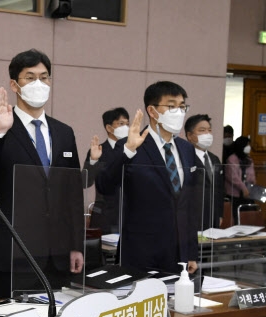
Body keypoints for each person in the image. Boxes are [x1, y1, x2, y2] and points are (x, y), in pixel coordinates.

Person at [0, 49, 83, 299]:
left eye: (44, 77)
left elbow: (73, 193)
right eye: (30, 77)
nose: (38, 84)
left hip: (58, 257)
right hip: (13, 253)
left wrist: (76, 245)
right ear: (14, 84)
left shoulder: (64, 132)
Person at [96, 81, 199, 274]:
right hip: (141, 251)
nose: (178, 112)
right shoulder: (131, 145)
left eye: (182, 106)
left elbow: (189, 204)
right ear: (152, 111)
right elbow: (105, 185)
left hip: (178, 252)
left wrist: (191, 251)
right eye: (171, 106)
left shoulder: (186, 149)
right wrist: (128, 150)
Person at [83, 107, 130, 234]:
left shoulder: (134, 151)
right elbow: (85, 182)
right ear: (109, 128)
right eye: (121, 124)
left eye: (127, 124)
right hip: (104, 215)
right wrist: (92, 161)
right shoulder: (98, 150)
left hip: (129, 213)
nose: (126, 127)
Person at [184, 114, 224, 229]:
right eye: (202, 130)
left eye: (209, 130)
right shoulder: (185, 158)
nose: (207, 134)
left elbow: (219, 189)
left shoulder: (214, 159)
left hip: (213, 215)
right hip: (192, 216)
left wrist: (220, 214)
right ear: (190, 135)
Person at [225, 136, 256, 224]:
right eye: (247, 145)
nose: (249, 147)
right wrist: (243, 188)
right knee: (235, 217)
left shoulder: (249, 160)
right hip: (234, 194)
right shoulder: (232, 159)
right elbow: (233, 177)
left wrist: (252, 186)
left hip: (247, 195)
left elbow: (252, 175)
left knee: (248, 218)